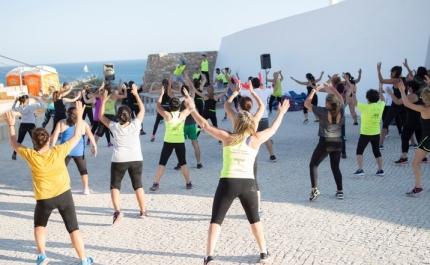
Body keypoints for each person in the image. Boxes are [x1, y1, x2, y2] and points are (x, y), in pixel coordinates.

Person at [183, 85, 290, 265]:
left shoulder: (227, 137)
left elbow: (205, 124)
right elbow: (272, 130)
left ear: (236, 122)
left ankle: (209, 257)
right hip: (248, 184)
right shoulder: (255, 139)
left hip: (228, 182)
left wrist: (192, 107)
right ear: (250, 123)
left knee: (216, 220)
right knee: (254, 219)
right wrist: (281, 113)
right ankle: (263, 253)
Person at [4, 102, 93, 265]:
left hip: (44, 198)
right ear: (47, 140)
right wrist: (80, 117)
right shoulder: (58, 151)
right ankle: (83, 259)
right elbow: (77, 136)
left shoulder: (31, 155)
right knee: (73, 228)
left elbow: (14, 143)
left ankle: (42, 255)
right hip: (64, 195)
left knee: (39, 225)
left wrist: (11, 125)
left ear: (34, 142)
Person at [225, 77, 273, 218]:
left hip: (235, 149)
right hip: (250, 151)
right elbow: (262, 106)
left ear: (239, 106)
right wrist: (253, 93)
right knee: (253, 180)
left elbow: (227, 105)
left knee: (232, 178)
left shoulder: (236, 117)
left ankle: (225, 205)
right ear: (251, 107)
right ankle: (256, 210)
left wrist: (235, 92)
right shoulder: (254, 119)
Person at [99, 84, 148, 223]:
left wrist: (103, 101)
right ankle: (143, 211)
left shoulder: (114, 126)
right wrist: (136, 94)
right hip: (136, 158)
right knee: (138, 185)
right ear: (129, 116)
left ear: (118, 117)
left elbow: (101, 116)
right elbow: (142, 109)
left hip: (119, 159)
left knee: (115, 186)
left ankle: (117, 211)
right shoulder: (135, 125)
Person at [304, 82, 346, 201]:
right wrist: (332, 88)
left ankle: (314, 190)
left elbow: (307, 104)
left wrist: (314, 91)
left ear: (328, 104)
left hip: (325, 141)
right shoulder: (342, 110)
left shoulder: (322, 111)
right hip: (338, 141)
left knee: (313, 164)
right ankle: (340, 191)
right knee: (335, 167)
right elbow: (341, 99)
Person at [149, 88, 193, 191]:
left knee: (162, 163)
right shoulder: (182, 114)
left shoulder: (167, 115)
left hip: (168, 141)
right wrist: (187, 95)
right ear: (179, 106)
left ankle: (156, 184)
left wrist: (161, 94)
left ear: (169, 106)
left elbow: (158, 106)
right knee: (183, 162)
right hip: (180, 141)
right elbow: (192, 106)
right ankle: (188, 183)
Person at [51, 107, 97, 195]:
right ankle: (86, 189)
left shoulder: (62, 122)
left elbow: (55, 134)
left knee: (59, 170)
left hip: (65, 150)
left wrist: (53, 145)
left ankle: (55, 188)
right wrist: (94, 146)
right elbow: (90, 135)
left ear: (67, 114)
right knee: (83, 170)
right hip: (79, 151)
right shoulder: (83, 123)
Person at [399, 77, 430, 196]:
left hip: (427, 139)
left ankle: (418, 187)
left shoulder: (424, 109)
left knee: (415, 163)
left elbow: (406, 103)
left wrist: (402, 91)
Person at [386, 80, 426, 164]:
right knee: (420, 139)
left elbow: (397, 102)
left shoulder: (412, 96)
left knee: (404, 138)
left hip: (411, 121)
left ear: (410, 88)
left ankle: (404, 158)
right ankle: (423, 157)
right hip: (421, 120)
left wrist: (390, 93)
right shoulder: (421, 95)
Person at [350, 82, 385, 176]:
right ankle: (380, 170)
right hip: (376, 133)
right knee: (376, 151)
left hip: (365, 133)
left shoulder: (365, 107)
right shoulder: (380, 106)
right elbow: (383, 100)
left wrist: (354, 92)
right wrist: (380, 92)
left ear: (368, 98)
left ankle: (360, 169)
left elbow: (354, 102)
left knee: (359, 151)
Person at [173, 81, 203, 170]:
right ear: (188, 91)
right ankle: (198, 163)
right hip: (192, 124)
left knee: (180, 145)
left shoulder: (179, 100)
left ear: (181, 92)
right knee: (195, 144)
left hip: (183, 125)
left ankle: (180, 163)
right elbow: (193, 91)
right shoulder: (191, 99)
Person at [377, 62, 407, 150]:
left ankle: (380, 144)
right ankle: (413, 143)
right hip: (403, 104)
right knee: (405, 124)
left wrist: (378, 69)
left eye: (393, 72)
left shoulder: (396, 80)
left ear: (396, 72)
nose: (392, 73)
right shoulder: (404, 79)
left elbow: (382, 80)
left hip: (395, 105)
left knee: (385, 123)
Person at [193, 76, 229, 142]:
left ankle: (195, 138)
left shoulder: (205, 97)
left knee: (200, 125)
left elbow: (197, 92)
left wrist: (192, 87)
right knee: (215, 126)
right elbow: (224, 93)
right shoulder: (216, 97)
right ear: (213, 90)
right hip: (212, 113)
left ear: (207, 91)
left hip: (205, 113)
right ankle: (220, 139)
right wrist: (228, 86)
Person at [11, 94, 45, 160]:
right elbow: (42, 105)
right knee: (34, 139)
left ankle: (14, 153)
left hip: (23, 124)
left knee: (19, 140)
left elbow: (13, 108)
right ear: (26, 100)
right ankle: (36, 153)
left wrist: (15, 101)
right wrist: (37, 99)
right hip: (31, 125)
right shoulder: (31, 107)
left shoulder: (19, 108)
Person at [148, 76, 181, 142]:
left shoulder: (161, 90)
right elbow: (180, 92)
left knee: (156, 122)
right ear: (168, 83)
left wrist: (152, 85)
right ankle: (174, 134)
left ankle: (153, 135)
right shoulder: (170, 90)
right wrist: (180, 85)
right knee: (172, 121)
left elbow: (150, 92)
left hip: (162, 107)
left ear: (162, 84)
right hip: (169, 107)